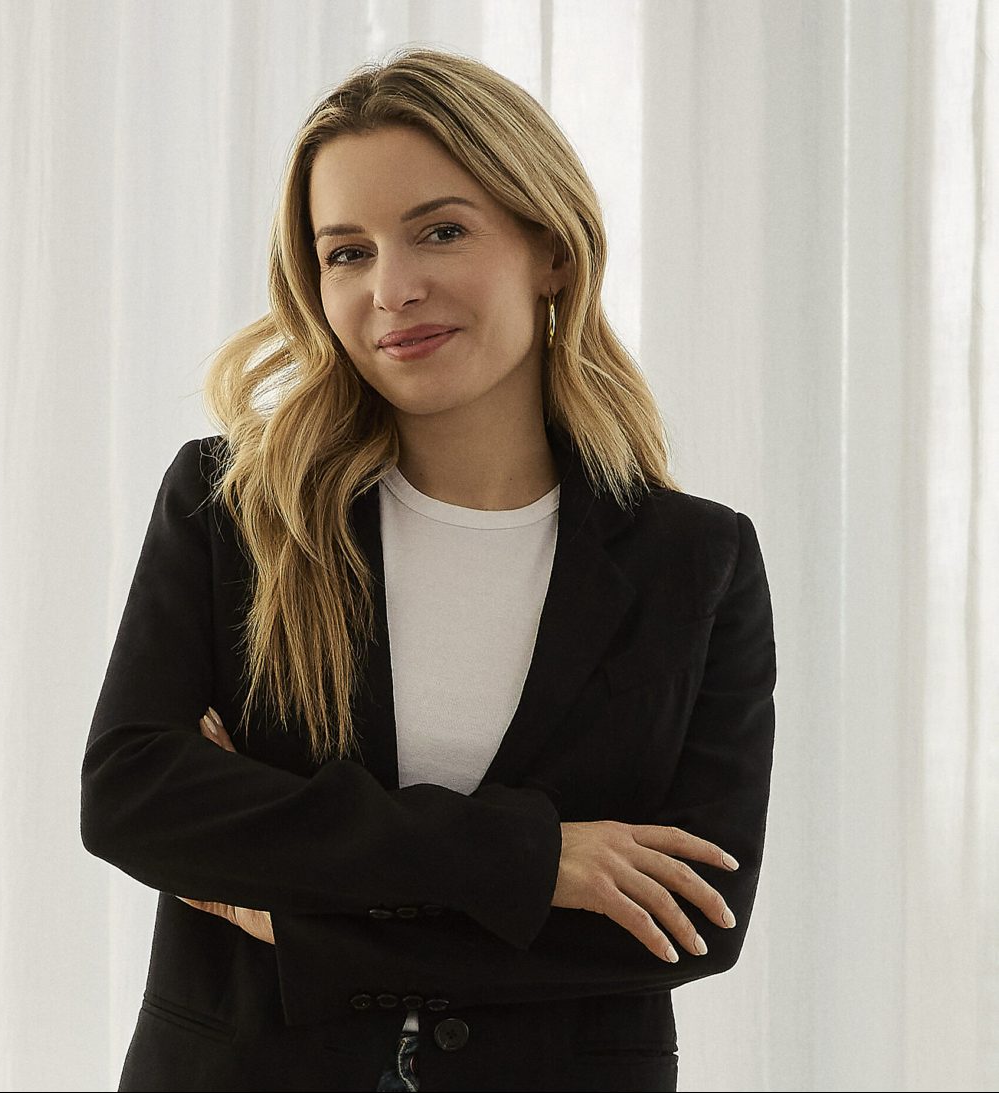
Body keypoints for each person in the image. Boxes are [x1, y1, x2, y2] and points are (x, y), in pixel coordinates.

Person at [81, 46, 776, 1093]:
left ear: (551, 250)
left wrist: (303, 922)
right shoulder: (235, 506)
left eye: (440, 231)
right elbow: (135, 796)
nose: (392, 289)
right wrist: (530, 861)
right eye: (346, 252)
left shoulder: (694, 561)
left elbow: (688, 920)